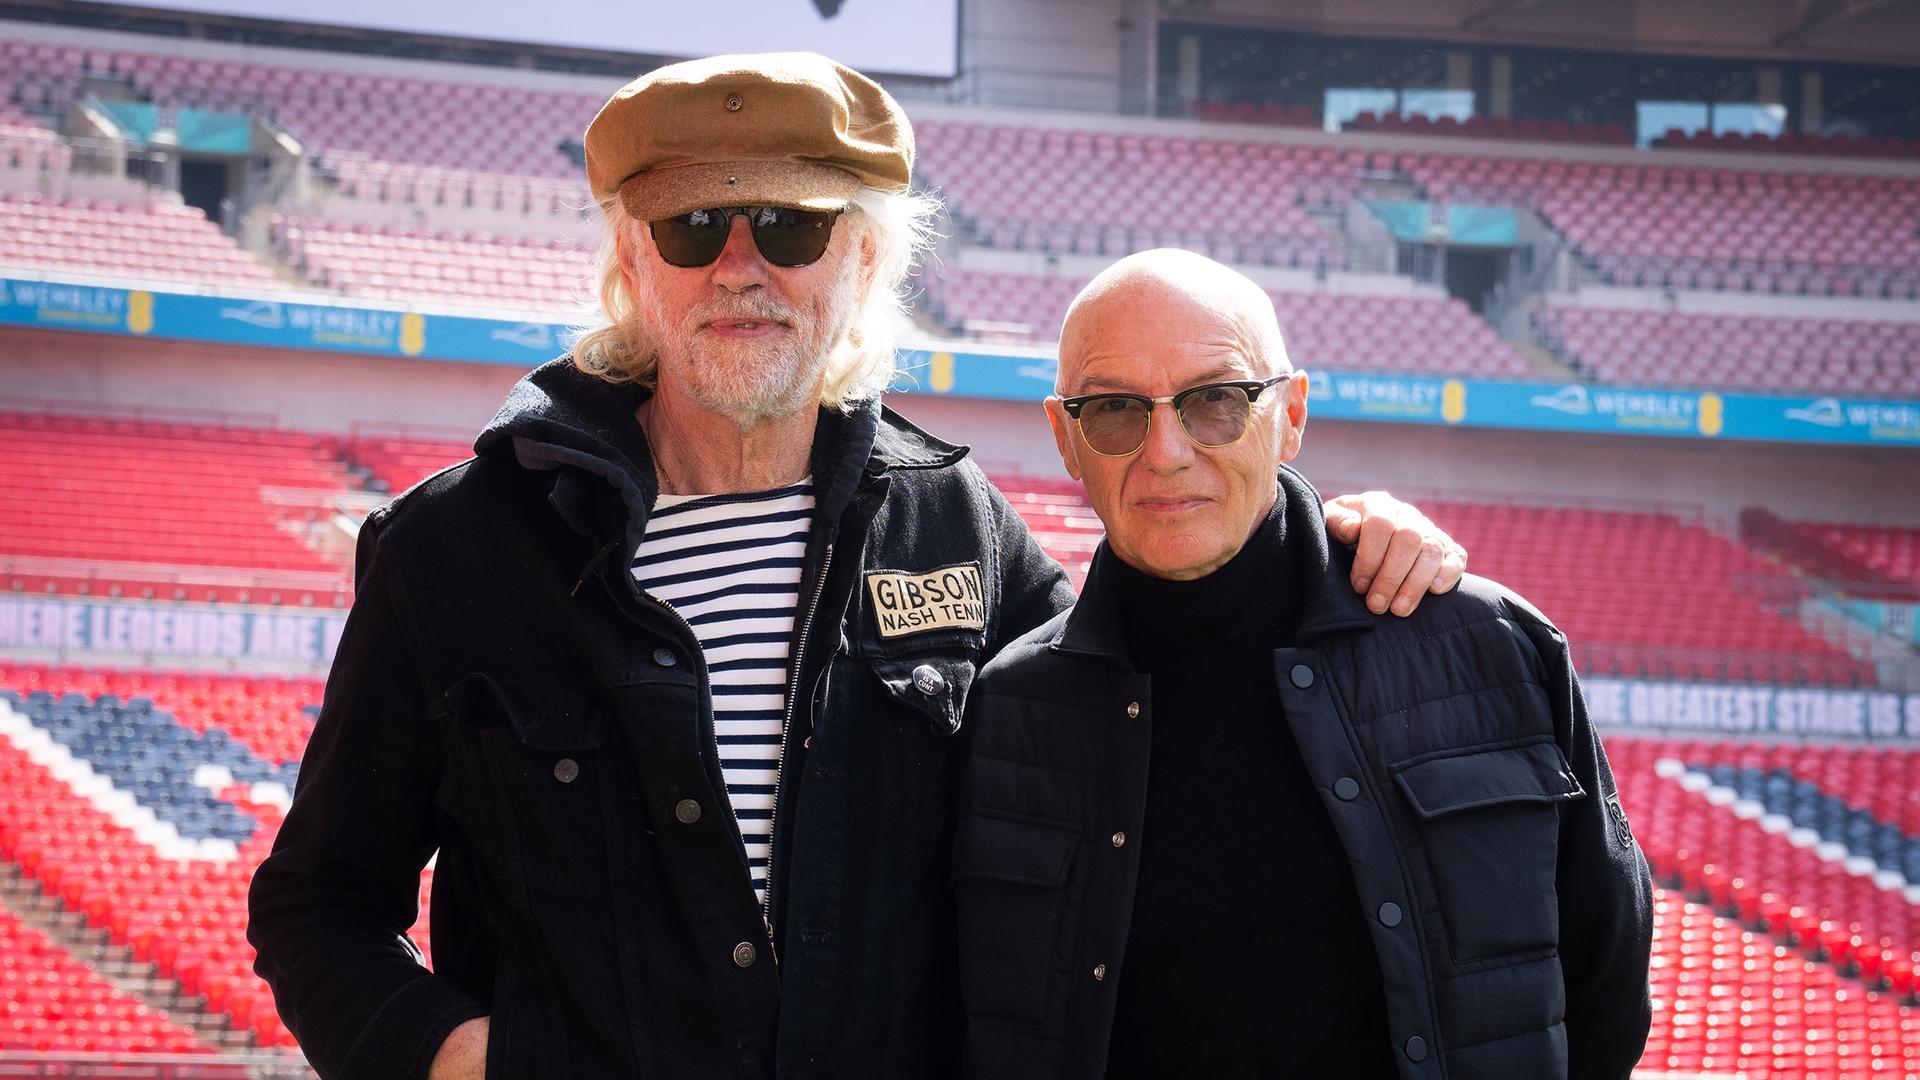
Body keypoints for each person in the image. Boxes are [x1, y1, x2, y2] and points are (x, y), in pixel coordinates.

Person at [247, 55, 1468, 1079]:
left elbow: (1168, 662)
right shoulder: (453, 550)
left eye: (790, 224)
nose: (741, 264)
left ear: (865, 263)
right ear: (630, 262)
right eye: (690, 226)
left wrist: (1333, 542)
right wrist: (463, 1060)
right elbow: (317, 903)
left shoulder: (960, 530)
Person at [952, 250, 1654, 1080]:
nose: (1167, 451)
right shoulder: (1007, 713)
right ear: (1066, 440)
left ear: (1290, 414)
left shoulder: (1492, 647)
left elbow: (1605, 992)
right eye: (1114, 410)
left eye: (1216, 400)